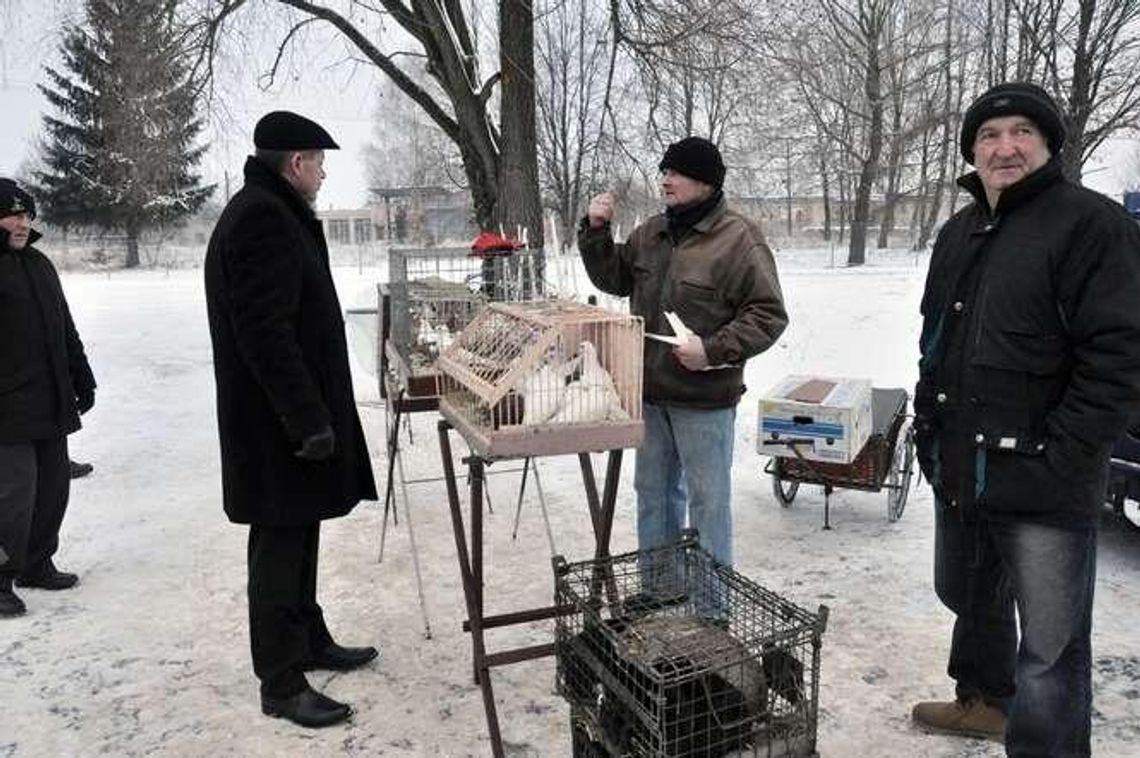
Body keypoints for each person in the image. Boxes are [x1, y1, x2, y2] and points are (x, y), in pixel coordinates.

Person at [912, 82, 1140, 756]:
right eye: (989, 135)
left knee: (1050, 650)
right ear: (972, 151)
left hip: (1045, 480)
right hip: (964, 465)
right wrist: (928, 432)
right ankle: (985, 701)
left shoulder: (1092, 225)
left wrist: (1065, 457)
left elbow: (1122, 357)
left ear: (1047, 145)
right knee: (968, 596)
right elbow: (935, 343)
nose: (1004, 147)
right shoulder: (958, 232)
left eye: (1021, 133)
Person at [204, 111, 379, 728]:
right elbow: (264, 332)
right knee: (278, 545)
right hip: (275, 424)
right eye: (319, 162)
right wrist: (306, 418)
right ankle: (280, 680)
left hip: (287, 419)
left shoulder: (274, 210)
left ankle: (307, 638)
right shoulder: (261, 217)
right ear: (296, 163)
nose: (324, 173)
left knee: (301, 531)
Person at [577, 136, 787, 593]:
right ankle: (660, 590)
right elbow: (614, 277)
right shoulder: (651, 233)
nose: (665, 180)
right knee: (653, 496)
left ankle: (712, 608)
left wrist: (711, 350)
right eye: (664, 172)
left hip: (704, 401)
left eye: (675, 173)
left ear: (705, 182)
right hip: (651, 395)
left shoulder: (739, 239)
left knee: (708, 504)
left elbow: (768, 315)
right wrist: (596, 231)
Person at [0, 178, 95, 618]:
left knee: (53, 488)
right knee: (13, 496)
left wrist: (81, 374)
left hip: (50, 399)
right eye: (12, 215)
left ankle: (36, 564)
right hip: (7, 408)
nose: (23, 223)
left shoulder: (39, 264)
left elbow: (64, 324)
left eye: (26, 215)